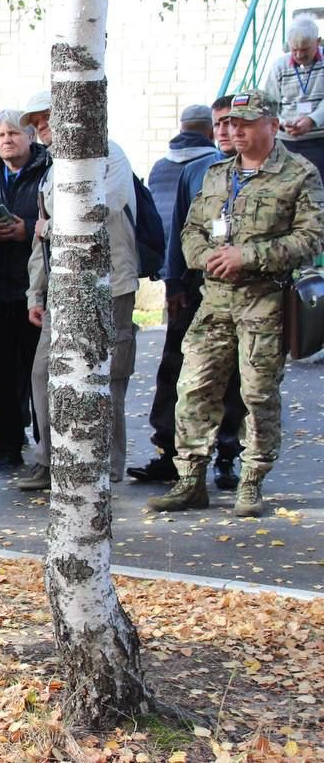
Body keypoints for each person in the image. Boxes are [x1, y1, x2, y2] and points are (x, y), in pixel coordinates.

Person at [148, 90, 324, 516]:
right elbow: (190, 229)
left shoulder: (299, 174)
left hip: (264, 300)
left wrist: (247, 256)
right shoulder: (215, 174)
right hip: (215, 300)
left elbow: (311, 238)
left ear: (272, 125)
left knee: (257, 393)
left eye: (244, 123)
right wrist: (206, 257)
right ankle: (190, 479)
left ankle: (252, 480)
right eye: (228, 124)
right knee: (193, 387)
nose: (233, 131)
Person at [17, 90, 140, 491]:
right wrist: (36, 293)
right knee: (42, 373)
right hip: (60, 289)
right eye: (35, 124)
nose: (41, 128)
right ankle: (50, 460)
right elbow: (41, 240)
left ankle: (106, 464)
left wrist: (51, 227)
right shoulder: (51, 171)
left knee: (107, 373)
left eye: (46, 118)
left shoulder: (109, 154)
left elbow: (105, 208)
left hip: (110, 284)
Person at [129, 96, 248, 489]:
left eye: (234, 123)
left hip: (247, 290)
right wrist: (174, 282)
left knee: (233, 376)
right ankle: (169, 450)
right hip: (196, 286)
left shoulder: (270, 173)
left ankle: (227, 454)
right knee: (175, 370)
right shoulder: (199, 171)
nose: (227, 132)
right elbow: (181, 230)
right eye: (220, 125)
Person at [0, 110, 48, 471]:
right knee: (0, 372)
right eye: (1, 134)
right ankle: (5, 445)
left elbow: (61, 218)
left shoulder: (47, 170)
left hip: (32, 287)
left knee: (38, 371)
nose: (7, 140)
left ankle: (44, 447)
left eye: (14, 133)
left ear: (31, 137)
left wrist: (29, 228)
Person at [262, 17, 324, 177]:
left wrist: (312, 120)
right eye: (294, 49)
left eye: (305, 50)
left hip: (320, 139)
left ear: (318, 42)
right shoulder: (279, 66)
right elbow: (269, 103)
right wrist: (282, 123)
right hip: (286, 141)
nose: (299, 54)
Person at [148, 105, 216, 241]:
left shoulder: (158, 167)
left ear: (181, 131)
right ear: (212, 133)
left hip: (163, 244)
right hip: (197, 246)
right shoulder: (218, 165)